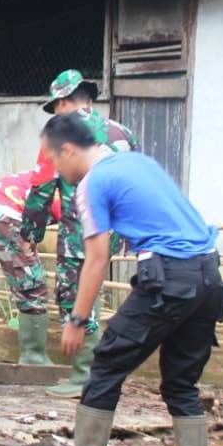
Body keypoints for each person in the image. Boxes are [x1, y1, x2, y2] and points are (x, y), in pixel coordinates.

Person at [38, 113, 223, 446]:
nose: (56, 170)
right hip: (210, 277)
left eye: (55, 161)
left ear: (69, 150)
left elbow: (96, 258)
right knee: (180, 382)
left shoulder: (92, 184)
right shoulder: (141, 162)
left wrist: (76, 320)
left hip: (169, 277)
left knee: (106, 362)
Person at [21, 69, 139, 397]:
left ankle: (85, 375)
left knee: (73, 293)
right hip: (117, 224)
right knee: (94, 287)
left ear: (62, 103)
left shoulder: (61, 133)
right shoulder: (122, 131)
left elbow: (43, 187)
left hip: (80, 224)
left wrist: (31, 229)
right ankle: (94, 372)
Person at [0, 169, 60, 365]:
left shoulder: (46, 174)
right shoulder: (70, 189)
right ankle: (34, 358)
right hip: (8, 216)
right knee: (32, 286)